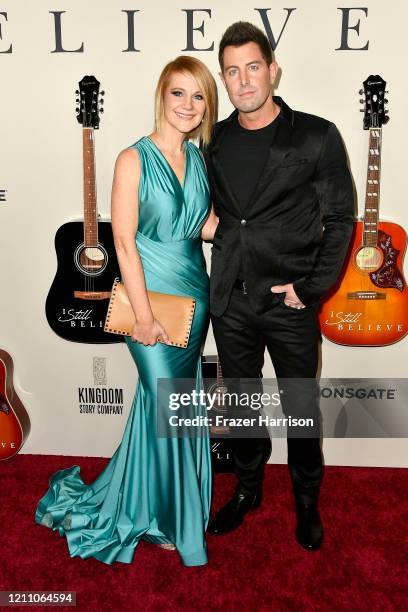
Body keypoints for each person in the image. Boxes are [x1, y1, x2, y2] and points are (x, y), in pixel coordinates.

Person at [34, 56, 219, 567]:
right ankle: (166, 519)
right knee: (167, 405)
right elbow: (122, 240)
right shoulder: (132, 159)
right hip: (149, 303)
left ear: (207, 106)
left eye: (198, 96)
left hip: (192, 300)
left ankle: (155, 503)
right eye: (179, 93)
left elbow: (200, 226)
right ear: (161, 95)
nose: (188, 105)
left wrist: (267, 236)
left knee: (167, 407)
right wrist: (141, 316)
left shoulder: (199, 158)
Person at [203, 22, 354, 550]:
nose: (243, 80)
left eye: (252, 67)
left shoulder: (315, 135)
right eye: (231, 71)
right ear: (223, 79)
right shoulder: (214, 140)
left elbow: (340, 222)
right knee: (242, 408)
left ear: (272, 70)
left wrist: (310, 290)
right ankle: (247, 490)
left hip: (289, 305)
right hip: (231, 302)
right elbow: (209, 212)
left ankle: (307, 501)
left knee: (301, 409)